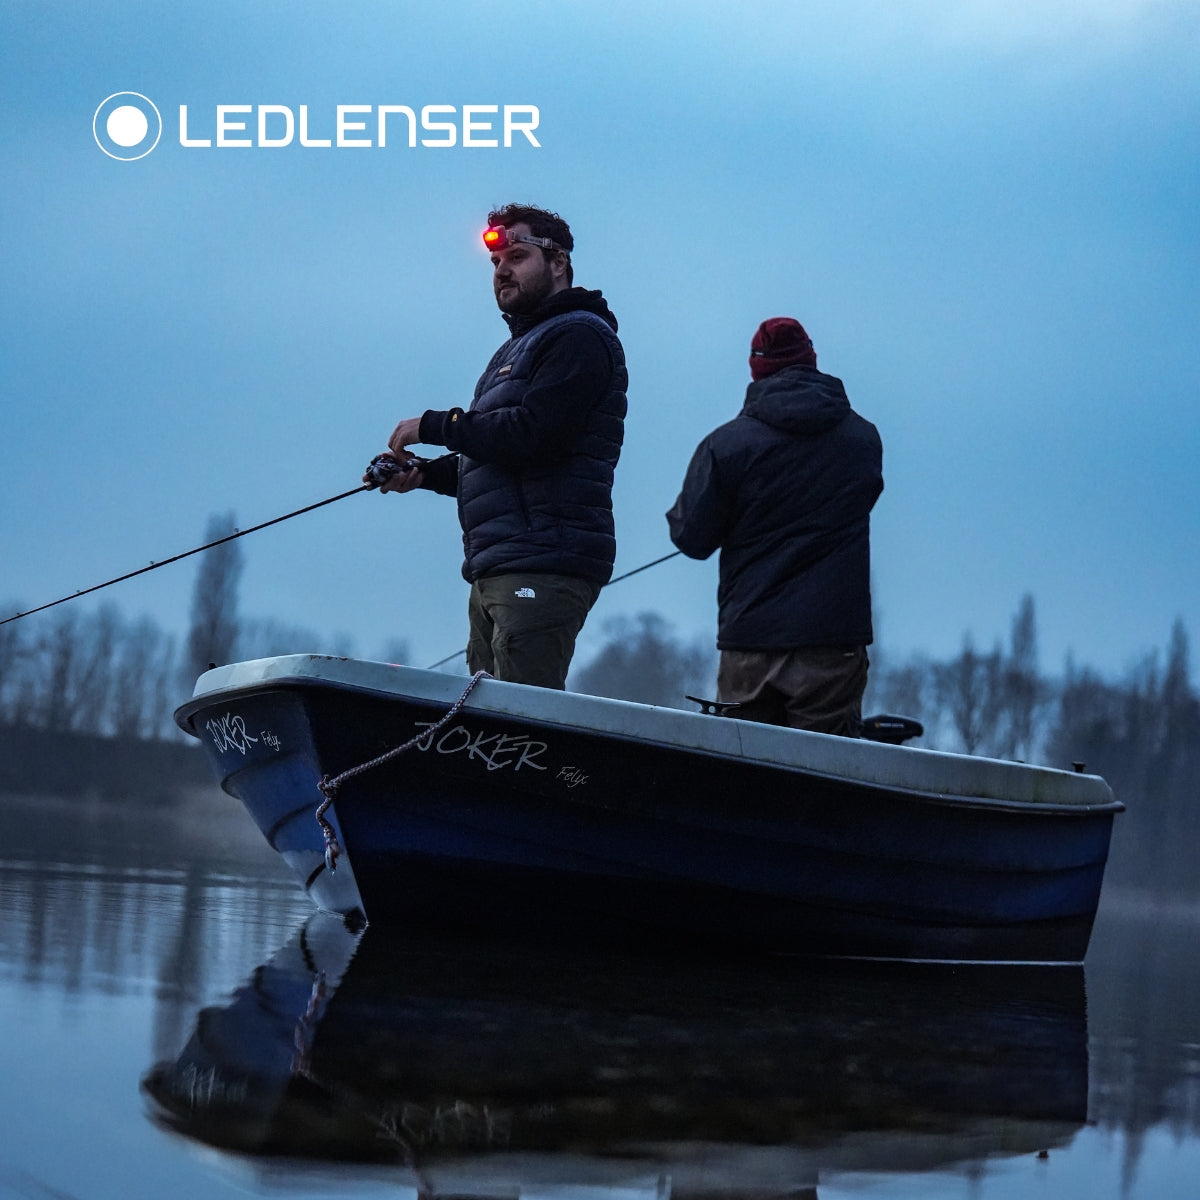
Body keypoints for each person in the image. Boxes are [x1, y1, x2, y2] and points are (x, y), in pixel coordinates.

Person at [368, 203, 627, 689]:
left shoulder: (579, 337)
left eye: (517, 256)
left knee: (521, 727)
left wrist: (433, 425)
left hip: (544, 560)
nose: (502, 270)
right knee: (489, 724)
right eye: (495, 263)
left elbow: (532, 435)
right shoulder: (516, 350)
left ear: (558, 264)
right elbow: (494, 454)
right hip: (496, 567)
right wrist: (422, 475)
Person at [666, 318, 882, 736]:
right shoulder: (863, 440)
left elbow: (691, 538)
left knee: (746, 777)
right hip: (832, 643)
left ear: (756, 369)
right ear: (811, 360)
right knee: (823, 781)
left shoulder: (726, 445)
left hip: (750, 644)